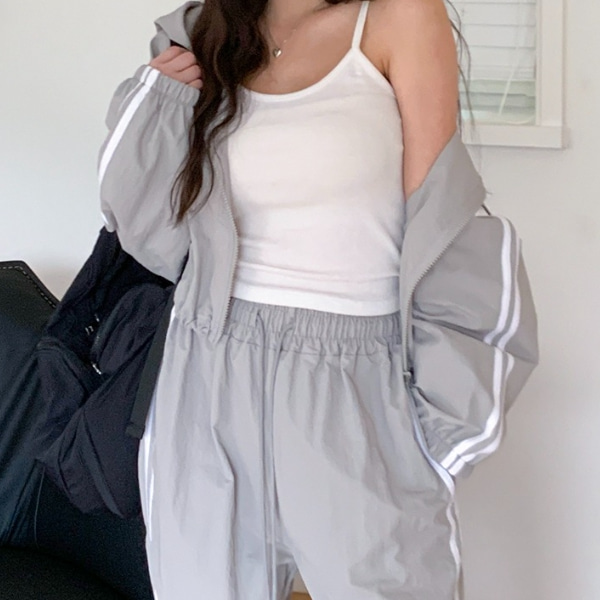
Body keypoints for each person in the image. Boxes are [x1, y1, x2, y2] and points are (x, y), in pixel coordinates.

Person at [97, 0, 539, 598]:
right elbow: (153, 235)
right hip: (206, 365)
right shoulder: (207, 32)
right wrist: (157, 102)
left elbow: (443, 224)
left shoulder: (400, 17)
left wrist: (441, 428)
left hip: (355, 376)